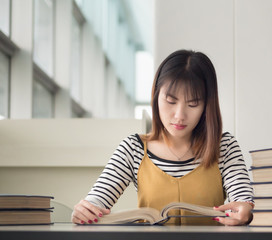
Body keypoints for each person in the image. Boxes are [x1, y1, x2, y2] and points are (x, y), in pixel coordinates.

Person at [71, 49, 254, 226]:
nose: (179, 115)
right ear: (156, 96)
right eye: (171, 101)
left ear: (207, 105)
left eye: (193, 104)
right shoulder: (133, 148)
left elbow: (243, 202)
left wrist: (245, 212)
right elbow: (96, 203)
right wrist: (84, 212)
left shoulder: (224, 147)